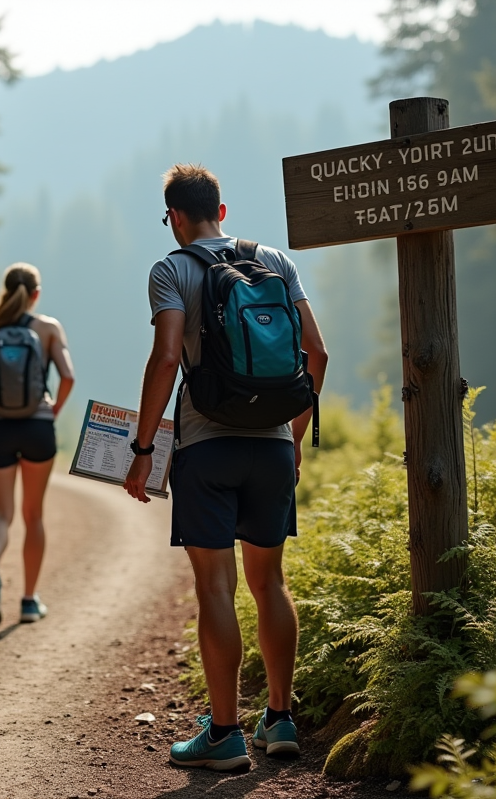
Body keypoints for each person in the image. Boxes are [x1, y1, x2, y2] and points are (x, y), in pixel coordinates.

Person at [123, 164, 327, 770]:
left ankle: (224, 732)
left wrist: (140, 452)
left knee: (216, 586)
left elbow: (166, 360)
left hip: (206, 448)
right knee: (272, 584)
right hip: (270, 446)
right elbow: (316, 352)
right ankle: (282, 720)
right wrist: (292, 437)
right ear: (223, 211)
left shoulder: (172, 268)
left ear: (175, 217)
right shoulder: (273, 260)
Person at [0, 263, 74, 627]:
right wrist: (51, 410)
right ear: (35, 294)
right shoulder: (49, 328)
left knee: (0, 516)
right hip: (38, 427)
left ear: (5, 292)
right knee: (33, 515)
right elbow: (68, 377)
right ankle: (28, 601)